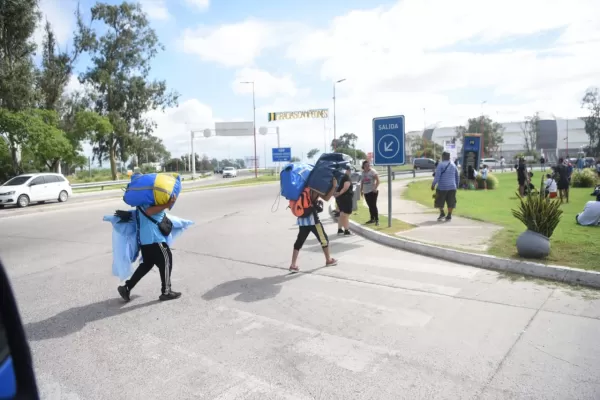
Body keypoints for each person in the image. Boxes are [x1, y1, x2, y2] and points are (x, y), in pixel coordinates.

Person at [118, 195, 181, 302]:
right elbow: (149, 211)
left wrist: (168, 203)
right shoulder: (152, 202)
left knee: (146, 265)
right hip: (155, 239)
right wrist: (167, 204)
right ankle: (166, 291)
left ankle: (127, 288)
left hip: (145, 241)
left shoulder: (140, 204)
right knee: (166, 262)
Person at [289, 190, 337, 272]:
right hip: (313, 221)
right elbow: (326, 198)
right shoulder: (314, 188)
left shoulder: (302, 188)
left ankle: (293, 265)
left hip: (302, 220)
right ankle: (328, 260)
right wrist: (333, 186)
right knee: (324, 239)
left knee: (299, 241)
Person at [431, 151, 459, 222]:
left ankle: (442, 213)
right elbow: (457, 176)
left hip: (442, 187)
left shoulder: (440, 165)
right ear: (449, 157)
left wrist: (433, 184)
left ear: (443, 157)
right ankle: (449, 215)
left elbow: (437, 177)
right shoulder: (453, 164)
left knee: (439, 201)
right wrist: (457, 185)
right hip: (452, 187)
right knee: (451, 202)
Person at [334, 165, 354, 236]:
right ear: (347, 170)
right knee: (345, 215)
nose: (350, 171)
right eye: (350, 170)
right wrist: (339, 193)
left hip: (340, 199)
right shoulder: (346, 177)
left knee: (341, 214)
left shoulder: (340, 177)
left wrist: (338, 194)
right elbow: (346, 187)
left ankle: (340, 230)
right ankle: (346, 231)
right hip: (345, 198)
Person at [360, 160, 380, 226]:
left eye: (369, 165)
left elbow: (378, 180)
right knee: (370, 206)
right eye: (366, 165)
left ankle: (377, 220)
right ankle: (372, 219)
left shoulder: (372, 171)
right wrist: (361, 190)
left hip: (372, 191)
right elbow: (362, 182)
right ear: (363, 166)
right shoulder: (363, 173)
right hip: (366, 191)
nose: (368, 167)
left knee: (373, 205)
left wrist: (375, 188)